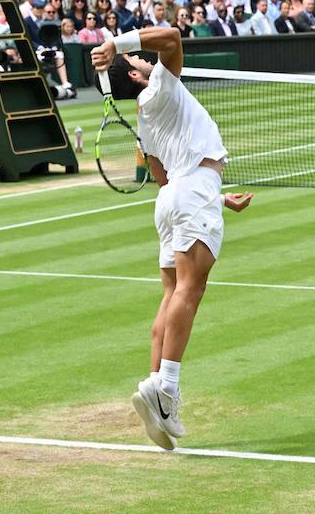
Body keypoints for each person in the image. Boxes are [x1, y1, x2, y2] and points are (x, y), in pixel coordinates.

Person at [90, 27, 254, 450]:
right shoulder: (162, 83)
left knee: (170, 291)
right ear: (138, 73)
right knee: (190, 289)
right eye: (139, 60)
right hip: (192, 193)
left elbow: (163, 178)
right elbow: (173, 36)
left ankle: (156, 391)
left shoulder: (145, 122)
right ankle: (167, 389)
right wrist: (117, 46)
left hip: (174, 199)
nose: (147, 59)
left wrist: (216, 198)